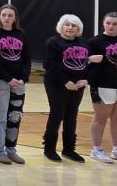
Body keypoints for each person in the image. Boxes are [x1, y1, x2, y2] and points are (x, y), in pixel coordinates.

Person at [86, 12, 117, 164]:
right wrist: (89, 60)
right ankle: (96, 149)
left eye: (115, 24)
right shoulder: (95, 41)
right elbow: (85, 62)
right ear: (103, 23)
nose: (111, 26)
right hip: (102, 83)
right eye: (108, 23)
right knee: (101, 118)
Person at [41, 14, 91, 163]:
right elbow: (49, 65)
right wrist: (65, 81)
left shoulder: (84, 44)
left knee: (72, 116)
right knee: (56, 114)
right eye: (67, 25)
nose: (70, 28)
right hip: (57, 84)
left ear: (78, 28)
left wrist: (86, 79)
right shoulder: (53, 42)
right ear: (61, 26)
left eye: (73, 25)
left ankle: (69, 149)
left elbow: (88, 65)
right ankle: (49, 149)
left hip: (77, 85)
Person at [0, 4, 31, 164]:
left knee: (15, 116)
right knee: (0, 117)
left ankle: (11, 149)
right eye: (4, 15)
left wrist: (23, 78)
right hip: (0, 81)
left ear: (15, 18)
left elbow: (26, 58)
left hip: (18, 82)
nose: (7, 18)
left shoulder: (21, 34)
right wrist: (7, 78)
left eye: (10, 15)